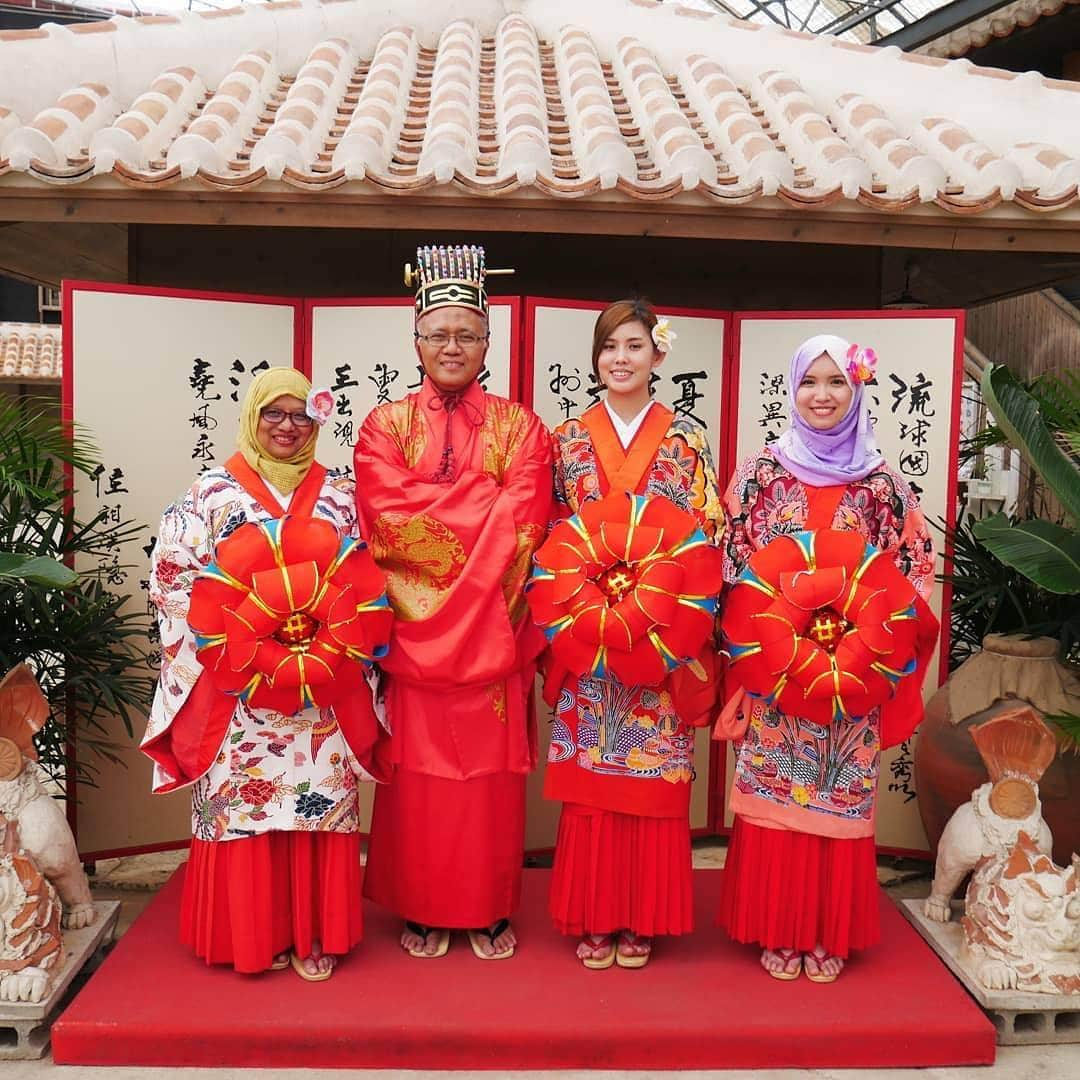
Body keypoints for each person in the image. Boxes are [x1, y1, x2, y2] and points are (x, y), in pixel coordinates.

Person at [142, 368, 385, 980]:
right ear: (252, 418)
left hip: (320, 681)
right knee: (243, 809)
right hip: (241, 684)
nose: (287, 426)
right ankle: (252, 935)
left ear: (317, 422)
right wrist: (237, 636)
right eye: (273, 413)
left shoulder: (340, 495)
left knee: (316, 804)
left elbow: (367, 583)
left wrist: (325, 640)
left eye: (300, 414)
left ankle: (315, 933)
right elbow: (174, 579)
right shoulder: (210, 494)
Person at [715, 334, 938, 982]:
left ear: (857, 390)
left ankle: (826, 930)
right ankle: (776, 928)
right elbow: (732, 564)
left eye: (835, 382)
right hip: (776, 667)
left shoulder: (883, 483)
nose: (821, 394)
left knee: (837, 791)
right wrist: (761, 640)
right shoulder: (759, 472)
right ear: (792, 388)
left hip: (853, 671)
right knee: (778, 793)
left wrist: (867, 637)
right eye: (809, 381)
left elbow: (912, 573)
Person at [353, 244, 552, 960]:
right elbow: (386, 516)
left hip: (495, 634)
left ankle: (488, 908)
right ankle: (424, 906)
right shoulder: (384, 425)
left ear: (488, 341)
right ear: (415, 340)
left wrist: (447, 509)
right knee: (423, 784)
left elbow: (526, 522)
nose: (451, 346)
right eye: (438, 333)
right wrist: (479, 502)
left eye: (466, 333)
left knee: (489, 787)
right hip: (415, 638)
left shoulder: (521, 426)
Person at [541, 298, 724, 969]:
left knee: (649, 778)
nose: (620, 358)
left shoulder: (686, 440)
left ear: (658, 355)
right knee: (593, 780)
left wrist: (674, 619)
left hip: (661, 634)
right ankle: (594, 914)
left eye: (635, 346)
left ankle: (642, 916)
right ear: (596, 358)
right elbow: (552, 533)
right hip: (587, 630)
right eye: (609, 346)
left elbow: (707, 536)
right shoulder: (567, 439)